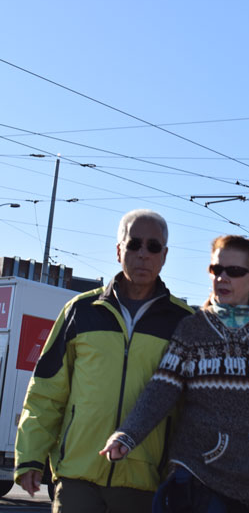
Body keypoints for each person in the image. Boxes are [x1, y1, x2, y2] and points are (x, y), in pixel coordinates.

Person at [100, 235, 249, 512]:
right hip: (196, 479)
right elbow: (161, 390)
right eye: (216, 269)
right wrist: (127, 435)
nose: (222, 278)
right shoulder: (192, 329)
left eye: (234, 271)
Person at [14, 209, 193, 513]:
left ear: (164, 256)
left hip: (144, 483)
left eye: (153, 246)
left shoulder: (184, 322)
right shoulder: (80, 311)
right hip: (77, 477)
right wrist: (30, 457)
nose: (143, 254)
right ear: (118, 250)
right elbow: (46, 391)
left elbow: (193, 408)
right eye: (134, 244)